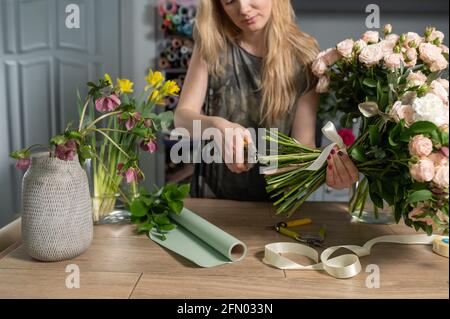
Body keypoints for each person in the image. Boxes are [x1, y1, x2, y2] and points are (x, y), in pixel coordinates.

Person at [174, 0, 359, 201]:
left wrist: (326, 171)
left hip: (274, 204)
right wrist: (215, 125)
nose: (243, 9)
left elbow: (303, 145)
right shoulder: (212, 44)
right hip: (212, 200)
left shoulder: (304, 55)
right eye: (229, 1)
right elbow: (182, 118)